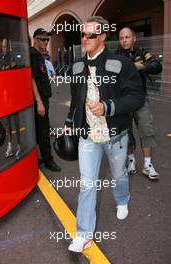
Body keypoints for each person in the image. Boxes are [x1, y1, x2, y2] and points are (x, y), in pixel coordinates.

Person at [65, 16, 145, 252]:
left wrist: (108, 106)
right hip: (88, 136)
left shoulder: (121, 63)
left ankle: (122, 199)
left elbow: (136, 97)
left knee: (119, 173)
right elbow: (75, 101)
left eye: (90, 34)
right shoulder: (77, 66)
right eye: (82, 34)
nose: (85, 39)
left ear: (102, 37)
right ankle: (83, 234)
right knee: (87, 184)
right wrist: (71, 121)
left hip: (116, 135)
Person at [116, 27, 162, 180]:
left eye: (127, 37)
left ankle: (148, 165)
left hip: (141, 99)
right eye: (122, 38)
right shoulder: (115, 55)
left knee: (146, 130)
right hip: (123, 101)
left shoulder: (142, 52)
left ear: (134, 38)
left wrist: (143, 67)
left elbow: (157, 66)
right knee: (126, 132)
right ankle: (131, 161)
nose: (124, 40)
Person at [30, 28, 61, 172]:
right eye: (43, 39)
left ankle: (36, 158)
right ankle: (49, 161)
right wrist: (39, 102)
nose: (46, 42)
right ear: (35, 39)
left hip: (42, 99)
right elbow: (32, 80)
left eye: (47, 39)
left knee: (38, 130)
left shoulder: (38, 54)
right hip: (40, 99)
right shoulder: (33, 55)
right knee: (43, 132)